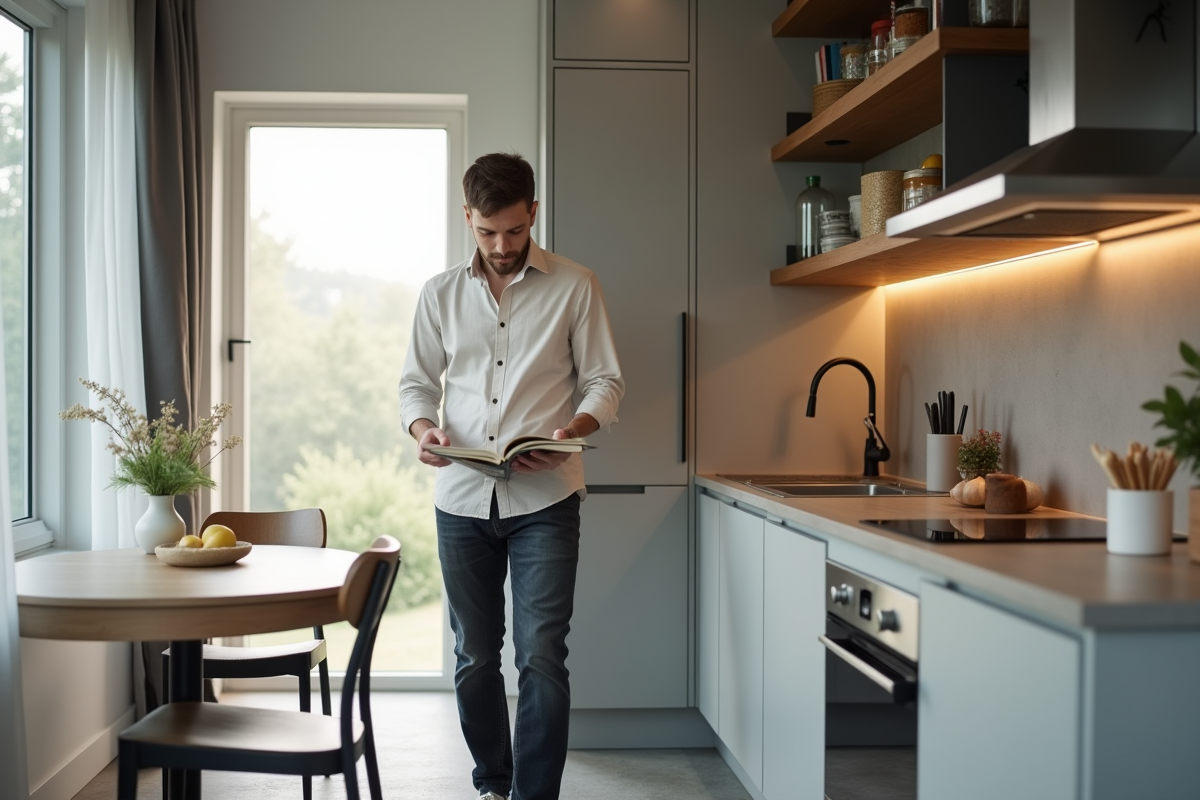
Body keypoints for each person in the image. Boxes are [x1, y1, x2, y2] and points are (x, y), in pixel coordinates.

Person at [398, 152, 624, 800]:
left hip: (547, 498)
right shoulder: (439, 293)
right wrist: (425, 431)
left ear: (534, 213)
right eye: (487, 232)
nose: (501, 247)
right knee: (473, 657)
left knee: (542, 654)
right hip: (462, 498)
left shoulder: (576, 285)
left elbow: (604, 378)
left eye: (514, 232)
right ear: (467, 218)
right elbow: (416, 383)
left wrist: (572, 432)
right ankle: (493, 781)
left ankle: (534, 796)